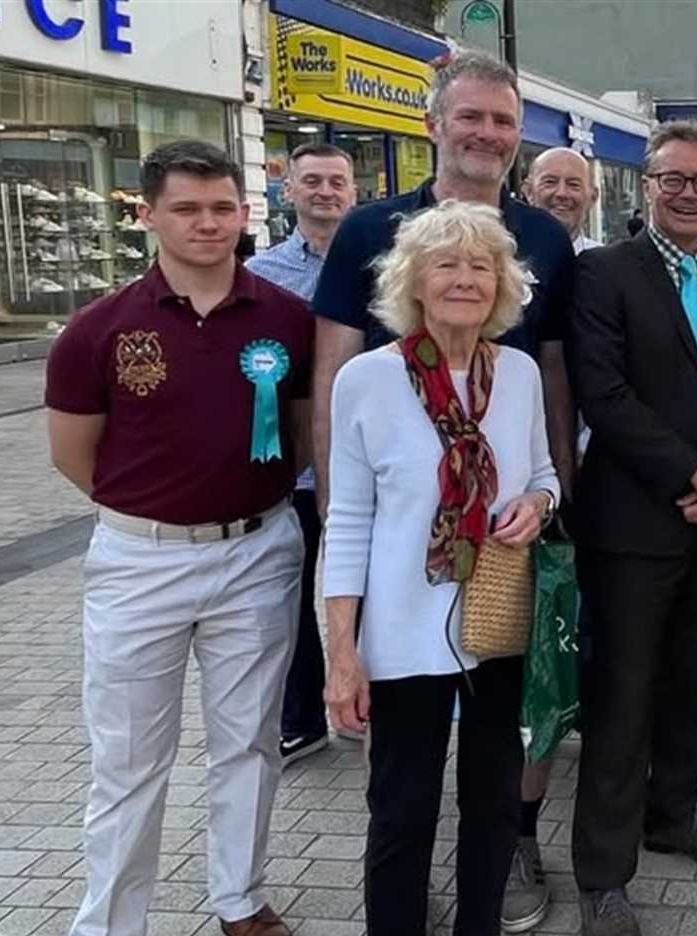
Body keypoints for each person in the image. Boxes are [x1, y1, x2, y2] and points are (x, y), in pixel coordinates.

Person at [43, 140, 313, 936]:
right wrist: (160, 512)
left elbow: (304, 436)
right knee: (128, 758)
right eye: (189, 208)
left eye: (223, 207)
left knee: (248, 743)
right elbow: (72, 457)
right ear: (150, 215)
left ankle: (242, 901)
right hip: (140, 561)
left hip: (259, 550)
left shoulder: (284, 319)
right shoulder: (97, 329)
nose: (208, 224)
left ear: (244, 214)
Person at [322, 200, 557, 936]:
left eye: (480, 265)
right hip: (400, 625)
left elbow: (544, 474)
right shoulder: (368, 379)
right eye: (446, 264)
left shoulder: (518, 373)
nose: (464, 278)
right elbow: (346, 519)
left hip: (494, 618)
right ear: (413, 282)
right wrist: (341, 651)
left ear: (502, 286)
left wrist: (540, 505)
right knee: (402, 804)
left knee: (494, 795)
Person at [564, 120, 697, 936]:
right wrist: (696, 474)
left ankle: (674, 814)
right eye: (672, 179)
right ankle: (603, 880)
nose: (689, 192)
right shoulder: (601, 275)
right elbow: (603, 395)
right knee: (622, 704)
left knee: (696, 682)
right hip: (636, 527)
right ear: (644, 186)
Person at [309, 51, 577, 525]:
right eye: (470, 117)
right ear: (432, 124)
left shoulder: (546, 239)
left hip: (510, 510)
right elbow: (331, 377)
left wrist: (558, 498)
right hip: (393, 502)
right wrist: (336, 517)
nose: (488, 134)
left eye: (503, 121)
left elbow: (554, 375)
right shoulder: (367, 231)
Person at [498, 144, 599, 936]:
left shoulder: (530, 369)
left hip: (536, 509)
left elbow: (562, 376)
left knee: (534, 682)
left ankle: (521, 838)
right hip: (429, 533)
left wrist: (558, 490)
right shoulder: (382, 373)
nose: (463, 285)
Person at [247, 141, 358, 767]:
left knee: (358, 597)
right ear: (287, 190)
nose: (324, 191)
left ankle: (364, 702)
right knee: (288, 595)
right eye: (311, 180)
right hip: (294, 468)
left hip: (359, 462)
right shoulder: (263, 276)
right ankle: (302, 718)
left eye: (336, 181)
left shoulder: (376, 259)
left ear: (353, 191)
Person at [524, 147, 601, 253]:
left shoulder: (609, 266)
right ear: (528, 191)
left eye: (573, 184)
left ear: (593, 197)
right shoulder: (505, 260)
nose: (561, 193)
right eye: (550, 182)